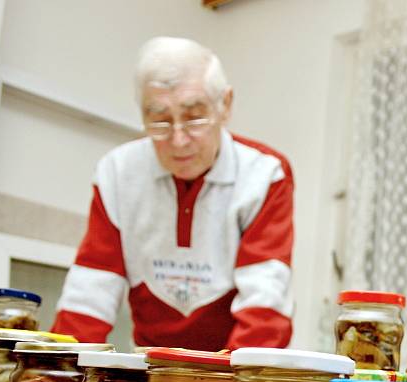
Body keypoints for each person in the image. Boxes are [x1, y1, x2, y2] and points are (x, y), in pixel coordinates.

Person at [52, 37, 294, 351]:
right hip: (151, 365)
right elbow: (90, 292)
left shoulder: (265, 174)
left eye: (194, 117)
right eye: (160, 121)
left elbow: (265, 302)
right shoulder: (117, 172)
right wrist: (59, 378)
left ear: (225, 105)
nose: (179, 140)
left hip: (235, 369)